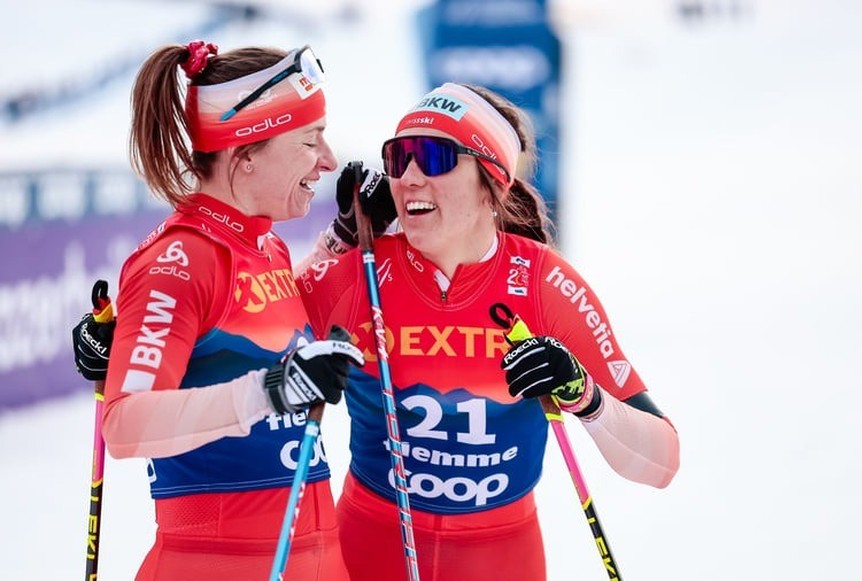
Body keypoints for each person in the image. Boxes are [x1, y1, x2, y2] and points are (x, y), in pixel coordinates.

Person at [295, 82, 681, 581]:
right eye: (397, 158)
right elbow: (254, 338)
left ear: (491, 181)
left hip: (500, 557)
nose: (409, 177)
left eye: (433, 157)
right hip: (369, 547)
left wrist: (584, 395)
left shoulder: (544, 285)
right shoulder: (361, 274)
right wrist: (340, 239)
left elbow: (660, 462)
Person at [72, 40, 366, 580]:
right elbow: (126, 424)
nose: (327, 160)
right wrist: (270, 391)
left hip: (314, 559)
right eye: (309, 140)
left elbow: (270, 321)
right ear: (245, 153)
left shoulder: (264, 245)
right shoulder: (180, 260)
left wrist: (342, 239)